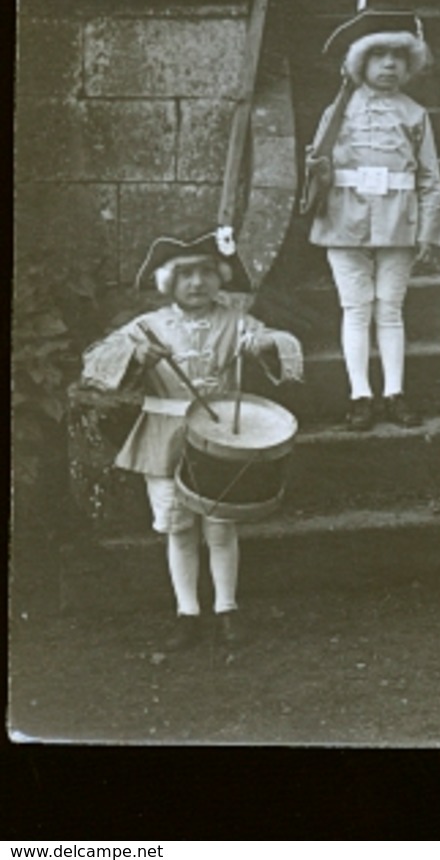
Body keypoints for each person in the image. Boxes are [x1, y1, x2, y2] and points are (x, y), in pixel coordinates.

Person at [80, 229, 304, 651]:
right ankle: (187, 613)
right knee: (178, 526)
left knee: (221, 524)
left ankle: (227, 609)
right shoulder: (147, 327)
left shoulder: (236, 321)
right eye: (185, 275)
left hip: (220, 436)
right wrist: (135, 355)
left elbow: (279, 345)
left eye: (205, 272)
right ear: (168, 281)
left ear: (219, 277)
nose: (197, 283)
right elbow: (95, 360)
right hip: (164, 436)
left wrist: (264, 343)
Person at [307, 9, 440, 431]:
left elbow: (430, 176)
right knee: (355, 309)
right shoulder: (338, 111)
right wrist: (317, 170)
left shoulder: (415, 115)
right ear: (359, 63)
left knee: (389, 309)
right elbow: (317, 165)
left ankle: (395, 391)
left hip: (398, 219)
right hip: (345, 217)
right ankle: (360, 394)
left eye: (398, 56)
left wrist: (428, 228)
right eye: (378, 55)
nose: (389, 64)